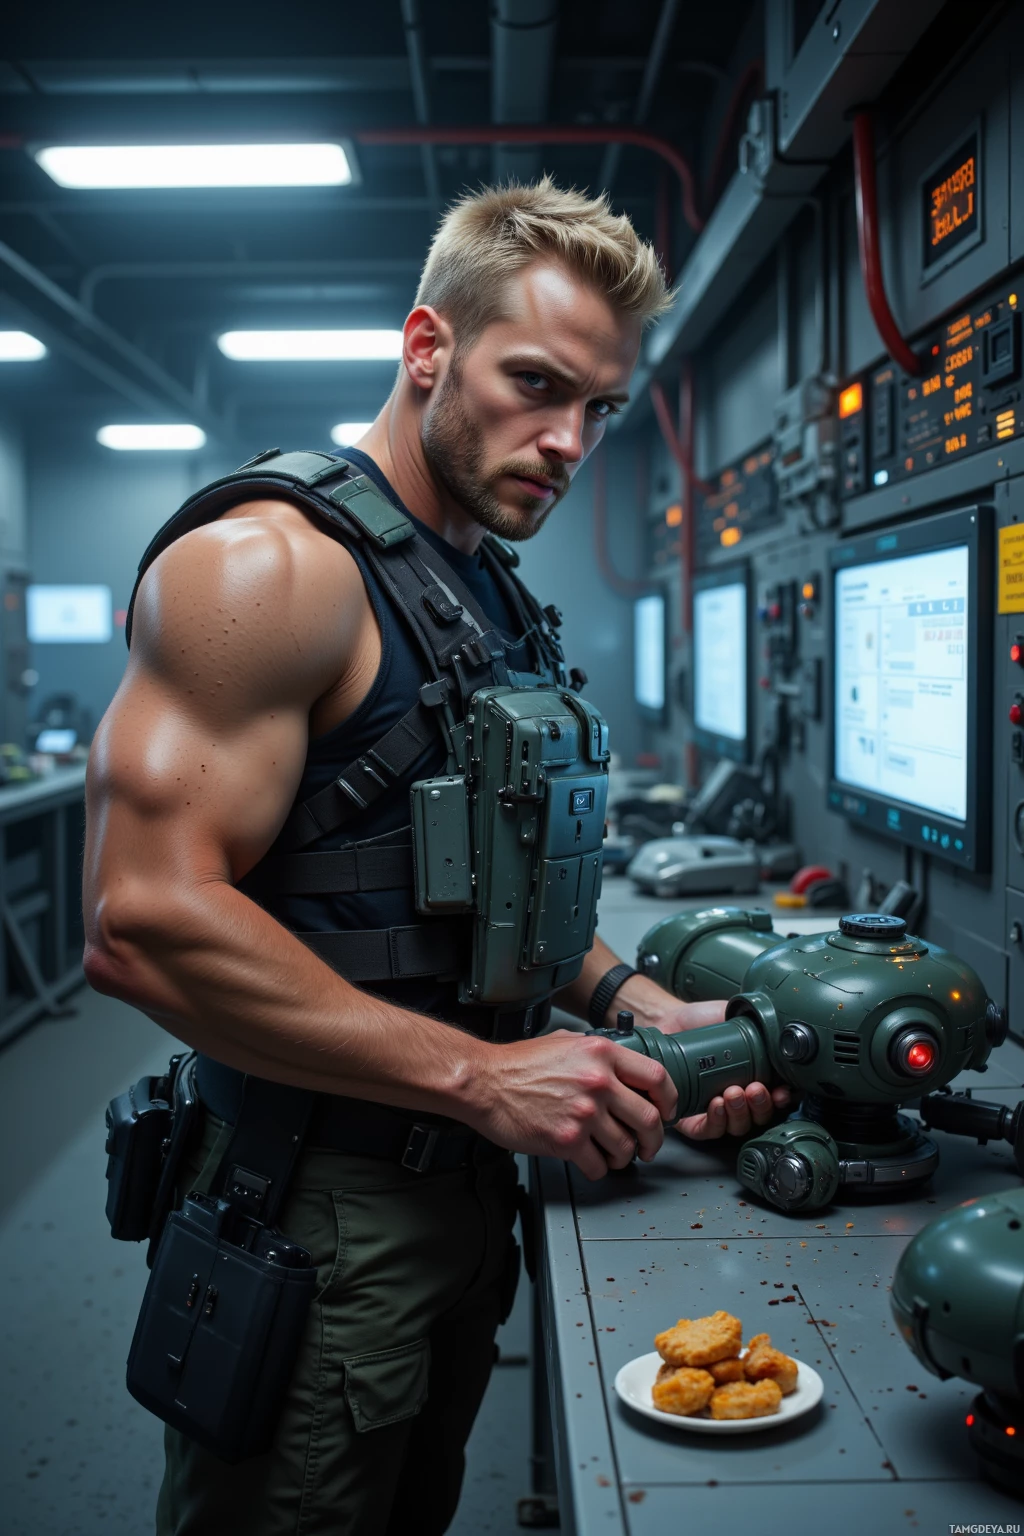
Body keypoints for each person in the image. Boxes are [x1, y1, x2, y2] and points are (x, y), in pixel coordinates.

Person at [83, 178, 788, 1536]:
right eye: (536, 384)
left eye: (599, 408)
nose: (568, 439)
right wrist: (484, 1075)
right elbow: (140, 921)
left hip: (461, 1182)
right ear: (428, 347)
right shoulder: (267, 572)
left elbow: (469, 887)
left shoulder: (478, 585)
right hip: (319, 1203)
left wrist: (635, 1006)